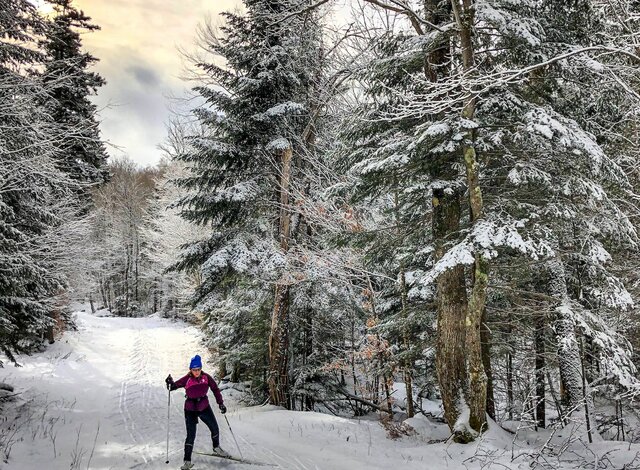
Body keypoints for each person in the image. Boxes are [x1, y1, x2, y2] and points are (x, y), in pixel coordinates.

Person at [166, 354, 230, 470]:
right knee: (191, 435)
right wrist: (170, 383)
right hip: (190, 409)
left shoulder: (206, 377)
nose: (196, 372)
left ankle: (216, 447)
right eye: (194, 370)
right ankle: (187, 461)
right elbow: (173, 386)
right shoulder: (187, 379)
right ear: (191, 369)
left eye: (198, 369)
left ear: (201, 369)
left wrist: (220, 403)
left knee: (214, 428)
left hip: (204, 407)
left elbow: (215, 389)